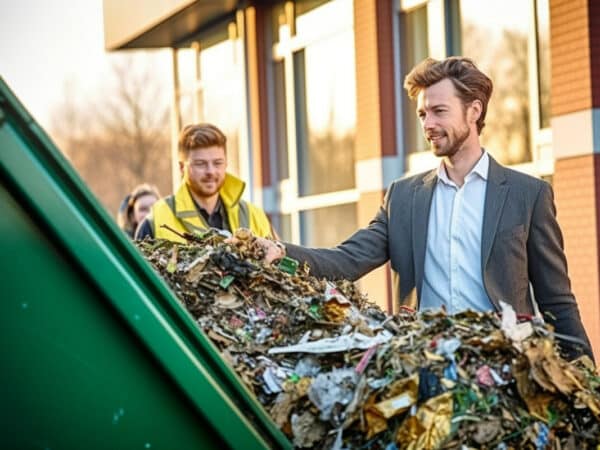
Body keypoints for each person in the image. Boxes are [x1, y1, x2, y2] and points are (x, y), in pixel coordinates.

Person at [258, 56, 593, 360]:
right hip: (422, 369)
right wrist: (281, 252)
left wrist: (585, 381)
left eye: (439, 111)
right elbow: (346, 260)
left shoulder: (527, 194)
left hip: (506, 373)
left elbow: (557, 301)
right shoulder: (403, 197)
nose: (427, 123)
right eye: (422, 113)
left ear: (474, 111)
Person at [135, 123, 275, 242]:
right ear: (182, 167)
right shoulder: (156, 220)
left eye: (217, 163)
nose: (211, 171)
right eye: (200, 164)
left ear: (226, 164)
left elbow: (283, 267)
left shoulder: (255, 216)